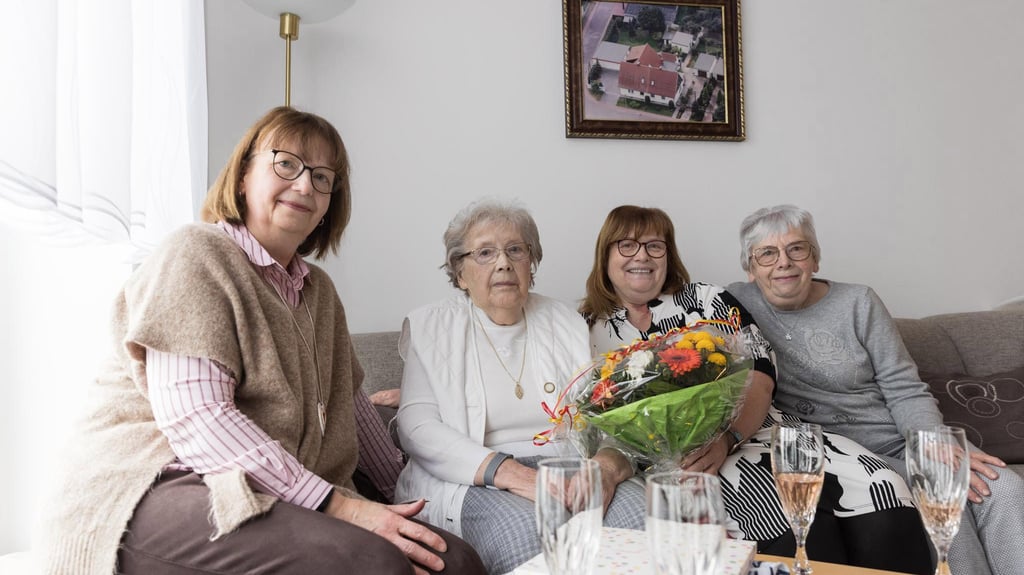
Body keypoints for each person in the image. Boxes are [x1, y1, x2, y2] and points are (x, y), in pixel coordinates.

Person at [35, 107, 484, 575]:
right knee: (373, 563)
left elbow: (351, 408)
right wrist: (341, 507)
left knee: (453, 560)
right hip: (154, 483)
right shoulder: (195, 254)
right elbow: (198, 421)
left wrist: (409, 503)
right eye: (286, 164)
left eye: (322, 177)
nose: (305, 185)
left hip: (267, 492)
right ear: (243, 176)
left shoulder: (319, 292)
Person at [581, 205, 932, 575]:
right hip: (683, 459)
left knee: (885, 490)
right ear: (605, 254)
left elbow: (761, 374)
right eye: (627, 245)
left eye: (655, 246)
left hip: (759, 430)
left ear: (668, 255)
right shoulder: (585, 327)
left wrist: (729, 436)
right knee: (798, 522)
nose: (642, 256)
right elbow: (594, 422)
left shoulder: (706, 299)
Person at [728, 204, 1024, 575]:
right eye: (767, 254)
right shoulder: (736, 305)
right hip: (844, 454)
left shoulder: (858, 302)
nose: (783, 262)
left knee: (1004, 488)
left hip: (904, 436)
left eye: (796, 249)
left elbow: (902, 383)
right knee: (941, 500)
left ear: (815, 259)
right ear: (750, 269)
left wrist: (931, 442)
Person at [394, 198, 645, 574]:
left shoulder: (567, 321)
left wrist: (605, 468)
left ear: (531, 264)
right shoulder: (432, 327)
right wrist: (515, 475)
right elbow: (416, 428)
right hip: (480, 478)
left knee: (642, 523)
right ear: (460, 274)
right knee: (525, 536)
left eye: (515, 250)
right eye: (485, 252)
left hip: (573, 467)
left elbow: (607, 414)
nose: (503, 263)